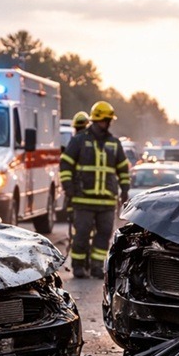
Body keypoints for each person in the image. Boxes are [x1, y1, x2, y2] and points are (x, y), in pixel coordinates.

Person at [59, 100, 130, 279]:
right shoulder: (79, 141)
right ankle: (78, 266)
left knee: (104, 234)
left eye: (109, 120)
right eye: (106, 120)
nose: (108, 124)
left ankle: (97, 266)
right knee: (81, 234)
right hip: (83, 200)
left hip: (106, 201)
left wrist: (125, 191)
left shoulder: (114, 143)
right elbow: (65, 164)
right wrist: (68, 187)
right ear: (97, 120)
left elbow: (123, 169)